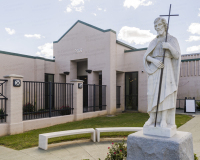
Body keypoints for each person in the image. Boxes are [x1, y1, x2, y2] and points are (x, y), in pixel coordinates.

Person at [143, 17, 181, 128]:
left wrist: (169, 47)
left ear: (164, 25)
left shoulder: (172, 39)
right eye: (155, 26)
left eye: (159, 25)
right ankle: (152, 117)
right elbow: (146, 56)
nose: (157, 28)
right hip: (154, 68)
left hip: (166, 67)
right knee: (152, 93)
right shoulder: (153, 41)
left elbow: (177, 55)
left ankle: (164, 119)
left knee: (165, 93)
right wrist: (154, 60)